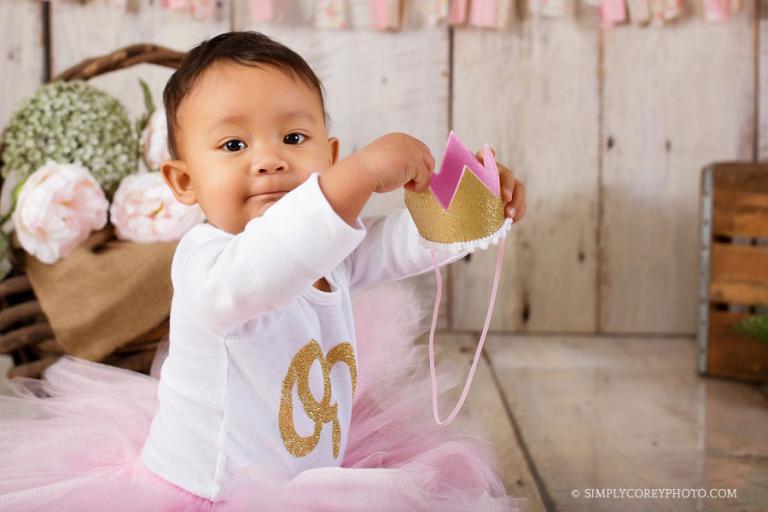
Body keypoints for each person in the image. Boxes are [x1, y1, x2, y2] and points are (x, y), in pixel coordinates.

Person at [0, 30, 528, 511]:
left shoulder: (327, 246)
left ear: (330, 153)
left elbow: (394, 246)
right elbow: (271, 263)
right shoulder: (208, 263)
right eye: (233, 145)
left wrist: (470, 208)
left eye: (294, 139)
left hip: (305, 477)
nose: (269, 160)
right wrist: (361, 174)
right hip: (205, 493)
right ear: (184, 182)